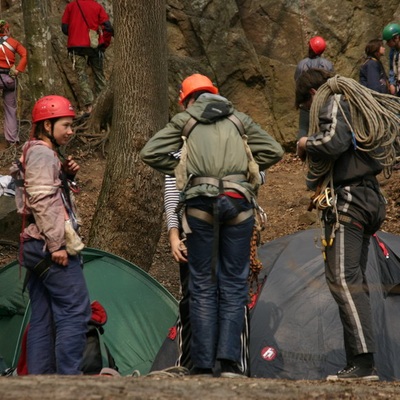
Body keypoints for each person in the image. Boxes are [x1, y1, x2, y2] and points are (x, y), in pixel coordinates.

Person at [140, 73, 284, 377]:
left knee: (202, 285)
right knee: (234, 284)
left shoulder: (186, 122)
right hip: (238, 204)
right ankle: (229, 363)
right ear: (214, 95)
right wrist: (246, 171)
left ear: (188, 99)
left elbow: (149, 152)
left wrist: (184, 168)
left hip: (199, 206)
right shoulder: (239, 120)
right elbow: (274, 151)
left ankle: (203, 365)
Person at [296, 68, 400, 381]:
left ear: (313, 95)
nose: (308, 113)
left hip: (350, 199)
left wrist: (305, 142)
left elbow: (333, 141)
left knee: (342, 277)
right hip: (368, 198)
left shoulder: (334, 99)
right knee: (351, 279)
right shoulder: (354, 104)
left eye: (305, 107)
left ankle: (364, 363)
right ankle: (359, 361)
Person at [9, 95, 91, 374]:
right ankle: (69, 381)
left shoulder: (37, 152)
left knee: (43, 316)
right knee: (76, 312)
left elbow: (43, 192)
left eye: (72, 126)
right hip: (47, 244)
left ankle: (39, 383)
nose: (71, 131)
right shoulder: (43, 154)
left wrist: (66, 176)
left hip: (32, 244)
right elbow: (43, 200)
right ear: (47, 126)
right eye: (65, 125)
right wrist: (57, 244)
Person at [61, 0, 114, 114]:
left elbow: (64, 28)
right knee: (99, 75)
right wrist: (105, 43)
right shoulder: (97, 6)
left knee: (82, 76)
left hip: (76, 46)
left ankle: (90, 107)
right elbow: (108, 27)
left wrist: (76, 32)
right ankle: (104, 106)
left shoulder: (71, 6)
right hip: (94, 46)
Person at [294, 36, 334, 139]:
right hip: (322, 101)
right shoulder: (327, 64)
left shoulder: (302, 64)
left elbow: (298, 81)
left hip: (305, 101)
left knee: (303, 128)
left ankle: (300, 150)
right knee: (320, 127)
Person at [0, 19, 27, 146]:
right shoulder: (13, 42)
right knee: (10, 109)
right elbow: (25, 54)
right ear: (6, 29)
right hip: (9, 78)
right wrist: (18, 70)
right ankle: (12, 140)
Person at [382, 22, 400, 96]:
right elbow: (392, 69)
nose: (387, 44)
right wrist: (392, 83)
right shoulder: (393, 52)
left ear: (396, 38)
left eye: (388, 41)